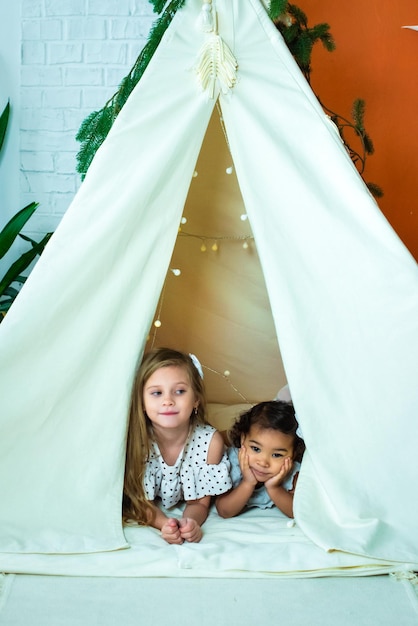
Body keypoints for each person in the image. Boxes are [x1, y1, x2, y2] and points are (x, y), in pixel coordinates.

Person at [123, 347, 232, 544]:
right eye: (156, 393)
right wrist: (165, 523)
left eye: (180, 391)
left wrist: (188, 523)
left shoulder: (210, 443)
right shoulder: (136, 441)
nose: (168, 401)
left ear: (196, 399)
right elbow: (139, 502)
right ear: (141, 402)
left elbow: (199, 502)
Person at [216, 400, 304, 519]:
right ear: (243, 439)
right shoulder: (230, 463)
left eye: (277, 455)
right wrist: (248, 482)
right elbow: (224, 511)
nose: (263, 462)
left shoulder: (293, 474)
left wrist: (275, 487)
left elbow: (298, 513)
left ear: (293, 454)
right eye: (256, 449)